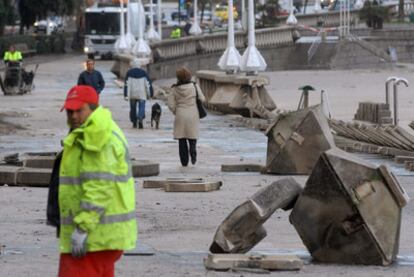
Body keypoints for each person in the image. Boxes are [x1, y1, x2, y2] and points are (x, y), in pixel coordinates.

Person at [57, 85, 137, 277]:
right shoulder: (97, 128)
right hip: (103, 234)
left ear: (92, 108)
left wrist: (83, 228)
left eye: (79, 110)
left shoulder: (96, 135)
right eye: (70, 111)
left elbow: (99, 186)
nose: (74, 116)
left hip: (94, 235)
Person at [167, 67, 205, 167]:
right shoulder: (194, 86)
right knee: (192, 135)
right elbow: (202, 98)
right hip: (193, 114)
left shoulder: (174, 88)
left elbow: (170, 104)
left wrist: (176, 110)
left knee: (182, 138)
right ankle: (193, 149)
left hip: (180, 114)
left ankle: (184, 161)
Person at [124, 59, 153, 129]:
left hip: (132, 94)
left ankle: (134, 122)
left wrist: (126, 95)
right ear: (140, 65)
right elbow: (148, 84)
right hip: (142, 94)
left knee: (133, 108)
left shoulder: (129, 73)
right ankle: (140, 118)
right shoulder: (144, 73)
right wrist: (150, 94)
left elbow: (126, 85)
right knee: (142, 107)